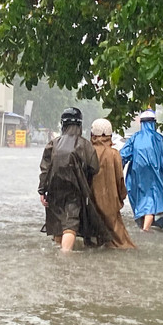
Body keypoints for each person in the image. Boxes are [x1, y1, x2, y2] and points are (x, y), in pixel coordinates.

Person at [38, 107, 110, 252]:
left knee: (58, 223)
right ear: (80, 125)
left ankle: (59, 254)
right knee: (71, 223)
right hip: (75, 188)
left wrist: (42, 190)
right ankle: (66, 257)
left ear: (63, 124)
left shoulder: (53, 144)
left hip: (54, 188)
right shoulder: (84, 145)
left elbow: (45, 169)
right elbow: (94, 168)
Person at [120, 109, 163, 231]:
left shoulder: (135, 138)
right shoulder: (160, 139)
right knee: (152, 198)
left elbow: (122, 156)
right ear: (154, 123)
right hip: (156, 173)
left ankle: (145, 227)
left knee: (142, 199)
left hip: (137, 174)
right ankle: (146, 230)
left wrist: (117, 171)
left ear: (141, 123)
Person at [89, 118, 136, 249]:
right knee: (121, 243)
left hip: (90, 204)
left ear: (92, 134)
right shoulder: (115, 154)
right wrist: (120, 197)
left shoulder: (87, 151)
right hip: (111, 204)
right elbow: (120, 181)